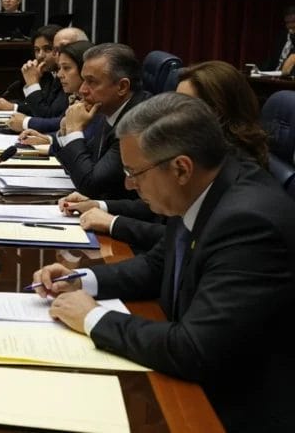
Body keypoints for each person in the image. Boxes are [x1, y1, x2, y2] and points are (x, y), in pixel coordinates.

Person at [32, 93, 295, 432]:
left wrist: (92, 317)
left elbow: (194, 348)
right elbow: (158, 265)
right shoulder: (203, 186)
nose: (128, 184)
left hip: (232, 407)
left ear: (181, 168)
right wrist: (81, 279)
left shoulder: (247, 223)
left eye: (134, 172)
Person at [60, 61, 270, 250]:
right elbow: (160, 210)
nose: (170, 115)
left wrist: (113, 223)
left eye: (183, 106)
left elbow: (185, 236)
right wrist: (100, 205)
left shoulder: (227, 167)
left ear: (215, 112)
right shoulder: (191, 151)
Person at [52, 43, 147, 199]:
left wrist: (74, 131)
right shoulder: (107, 109)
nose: (82, 90)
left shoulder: (137, 123)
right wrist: (66, 130)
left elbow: (91, 186)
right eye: (83, 80)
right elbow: (76, 168)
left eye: (92, 82)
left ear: (122, 87)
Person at [4, 26, 89, 132]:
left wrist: (27, 122)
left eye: (48, 49)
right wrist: (15, 107)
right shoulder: (51, 74)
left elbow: (50, 116)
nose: (40, 56)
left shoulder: (77, 82)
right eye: (55, 49)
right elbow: (55, 115)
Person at [0, 24, 63, 116]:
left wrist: (32, 84)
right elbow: (38, 105)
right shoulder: (47, 74)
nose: (40, 56)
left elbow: (46, 115)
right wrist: (12, 106)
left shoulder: (65, 77)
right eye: (37, 50)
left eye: (47, 49)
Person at [260, 5, 295, 73]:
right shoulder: (282, 37)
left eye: (293, 22)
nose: (290, 25)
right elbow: (272, 61)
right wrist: (259, 71)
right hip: (273, 75)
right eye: (287, 22)